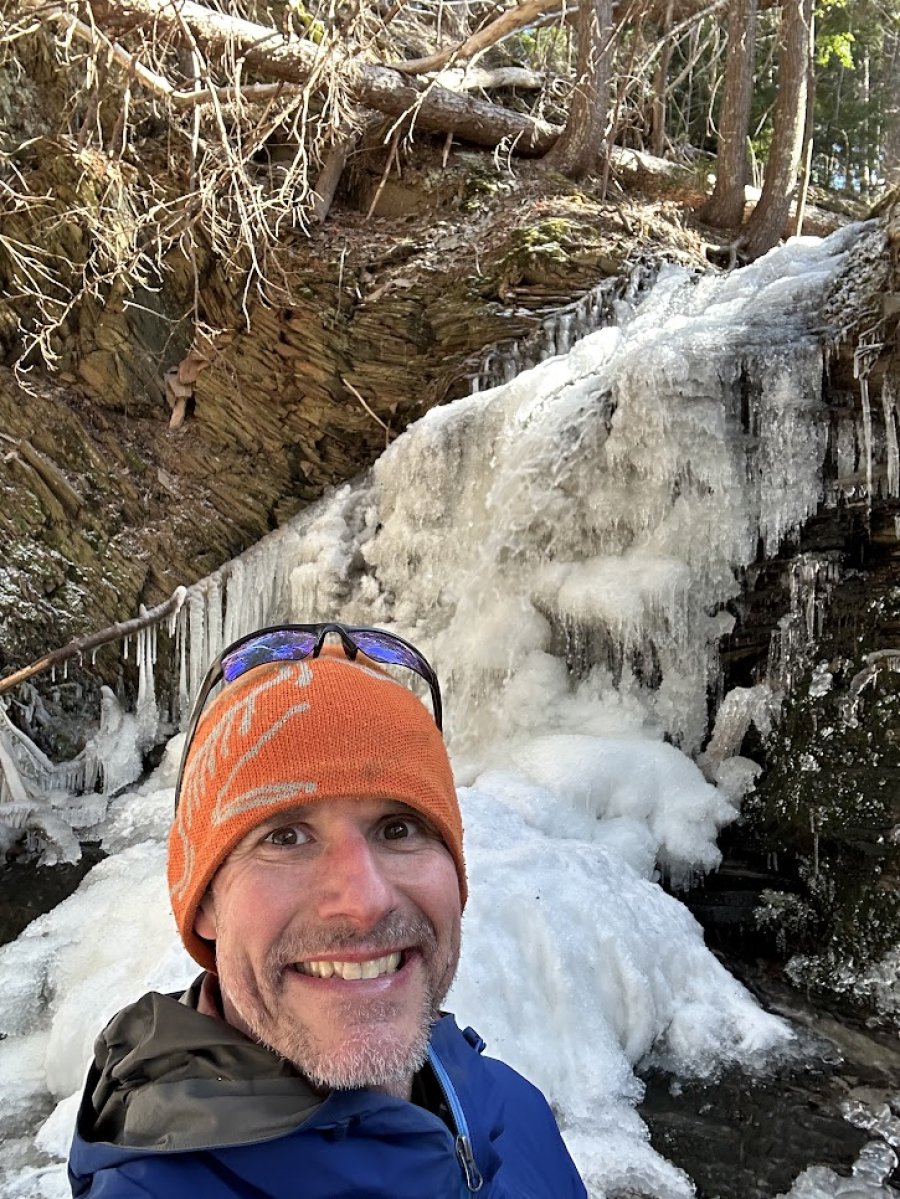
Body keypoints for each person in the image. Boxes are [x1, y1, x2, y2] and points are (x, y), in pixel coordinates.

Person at [68, 623, 588, 1198]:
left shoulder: (518, 1113)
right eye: (286, 837)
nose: (364, 903)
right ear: (205, 904)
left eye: (399, 828)